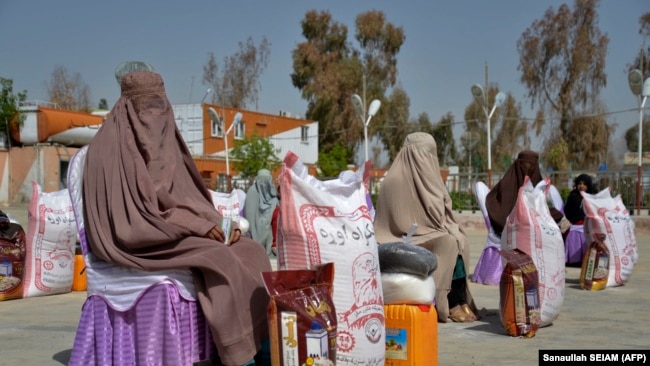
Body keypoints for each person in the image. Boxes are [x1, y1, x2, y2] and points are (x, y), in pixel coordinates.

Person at [82, 70, 271, 366]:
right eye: (147, 107)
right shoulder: (109, 150)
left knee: (252, 250)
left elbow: (187, 198)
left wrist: (221, 224)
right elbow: (135, 217)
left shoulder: (166, 146)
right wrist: (199, 227)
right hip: (136, 239)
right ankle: (237, 354)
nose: (155, 115)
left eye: (160, 106)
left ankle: (263, 344)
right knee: (219, 259)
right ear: (128, 107)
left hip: (172, 230)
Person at [374, 132, 479, 323]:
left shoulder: (431, 178)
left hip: (433, 229)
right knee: (448, 242)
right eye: (425, 153)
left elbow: (442, 209)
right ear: (412, 153)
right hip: (401, 236)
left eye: (432, 154)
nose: (429, 159)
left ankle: (459, 297)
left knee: (460, 238)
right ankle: (446, 301)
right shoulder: (393, 181)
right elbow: (397, 221)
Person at [485, 150, 570, 237]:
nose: (527, 168)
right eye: (524, 164)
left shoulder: (539, 186)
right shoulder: (507, 185)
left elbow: (540, 210)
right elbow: (504, 213)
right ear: (519, 165)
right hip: (507, 238)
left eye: (531, 165)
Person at [244, 169, 279, 256]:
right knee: (265, 228)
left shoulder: (274, 197)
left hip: (270, 227)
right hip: (255, 227)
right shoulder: (252, 192)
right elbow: (250, 217)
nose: (264, 184)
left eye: (266, 180)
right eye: (261, 180)